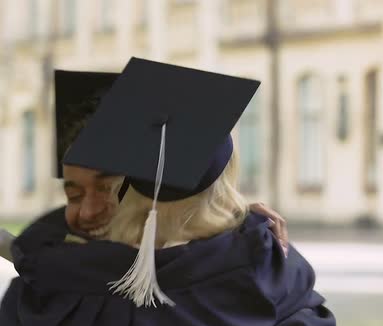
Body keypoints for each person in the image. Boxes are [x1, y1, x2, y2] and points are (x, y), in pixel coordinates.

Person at [0, 58, 336, 326]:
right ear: (222, 184)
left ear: (122, 188)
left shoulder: (60, 285)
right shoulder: (263, 268)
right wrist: (235, 224)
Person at [0, 70, 288, 262]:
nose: (87, 211)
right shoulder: (55, 274)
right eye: (73, 195)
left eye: (108, 190)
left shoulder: (229, 273)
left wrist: (232, 225)